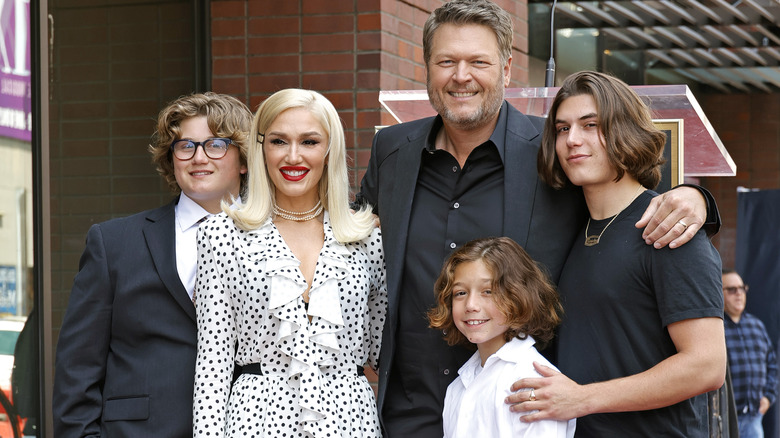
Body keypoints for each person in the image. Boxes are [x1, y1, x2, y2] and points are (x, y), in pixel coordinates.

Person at [355, 0, 720, 436]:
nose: (461, 75)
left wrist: (696, 198)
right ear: (427, 66)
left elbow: (629, 199)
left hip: (520, 413)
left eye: (479, 61)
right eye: (447, 61)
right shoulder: (391, 151)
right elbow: (353, 240)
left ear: (507, 70)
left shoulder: (551, 156)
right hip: (408, 412)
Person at [510, 70, 726, 436]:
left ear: (625, 130)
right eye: (562, 129)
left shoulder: (667, 227)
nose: (572, 140)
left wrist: (584, 399)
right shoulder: (574, 230)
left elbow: (706, 365)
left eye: (590, 124)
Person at [53, 92, 251, 437]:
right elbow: (78, 368)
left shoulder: (276, 243)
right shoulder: (113, 243)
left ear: (244, 159)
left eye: (215, 145)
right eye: (185, 146)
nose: (198, 157)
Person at [191, 88, 386, 438]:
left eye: (309, 142)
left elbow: (385, 351)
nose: (293, 156)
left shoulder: (366, 237)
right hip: (256, 422)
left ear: (330, 151)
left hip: (350, 421)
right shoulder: (221, 234)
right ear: (261, 149)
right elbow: (213, 364)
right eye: (279, 141)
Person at [428, 237, 576, 438]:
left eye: (487, 291)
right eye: (460, 293)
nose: (471, 305)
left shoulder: (534, 381)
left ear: (518, 295)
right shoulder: (459, 384)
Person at [722, 269, 778, 438]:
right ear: (718, 292)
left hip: (754, 418)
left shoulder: (757, 325)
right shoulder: (715, 328)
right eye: (732, 289)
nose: (738, 294)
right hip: (724, 420)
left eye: (742, 288)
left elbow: (773, 365)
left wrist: (768, 397)